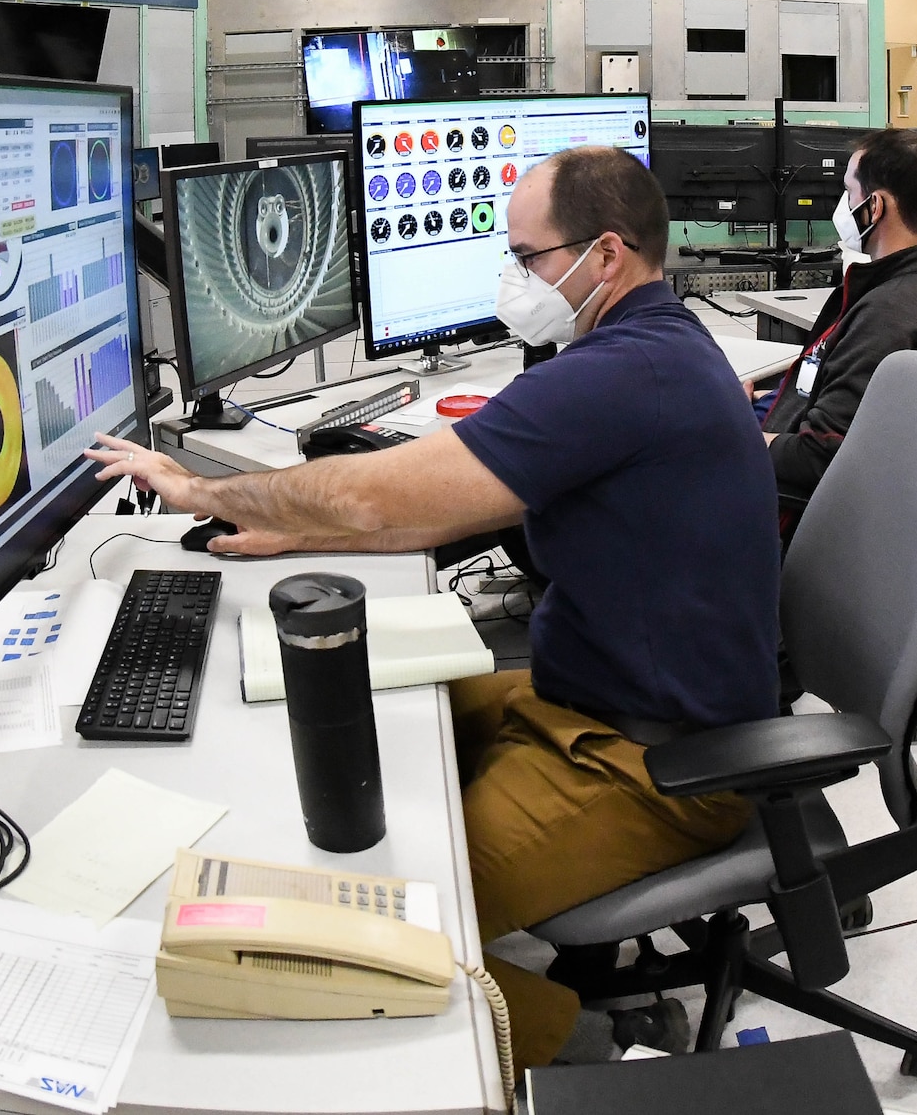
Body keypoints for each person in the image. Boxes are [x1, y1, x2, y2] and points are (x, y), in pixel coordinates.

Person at [86, 144, 782, 1072]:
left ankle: (597, 1043)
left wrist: (210, 493)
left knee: (360, 933)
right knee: (346, 718)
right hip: (577, 698)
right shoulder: (652, 348)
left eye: (528, 257)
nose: (514, 276)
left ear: (605, 257)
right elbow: (427, 510)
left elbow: (383, 500)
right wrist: (298, 530)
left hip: (655, 763)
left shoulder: (619, 378)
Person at [760, 127, 917, 511]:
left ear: (874, 207)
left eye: (848, 193)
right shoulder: (912, 285)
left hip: (797, 500)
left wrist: (729, 432)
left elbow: (820, 455)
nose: (843, 205)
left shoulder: (885, 314)